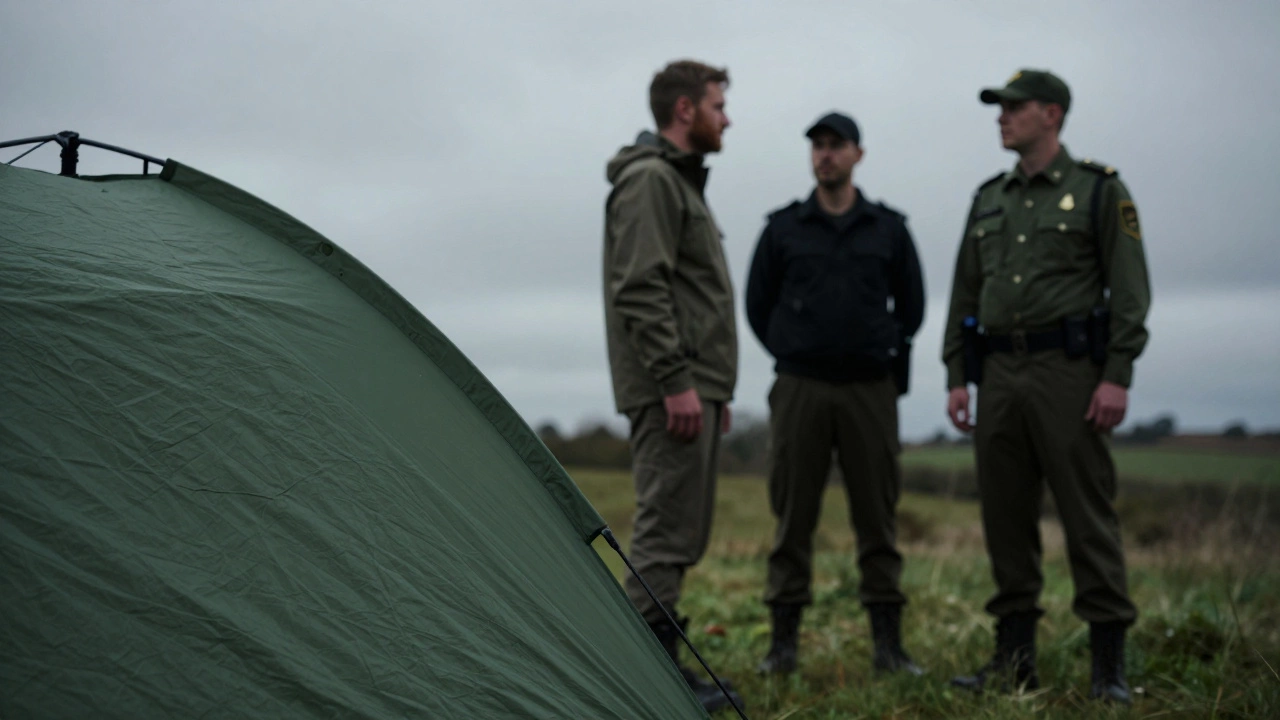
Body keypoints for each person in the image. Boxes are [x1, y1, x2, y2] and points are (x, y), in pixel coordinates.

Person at [941, 69, 1152, 704]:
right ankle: (1014, 662)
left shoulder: (1099, 191)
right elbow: (964, 294)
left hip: (1069, 373)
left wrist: (1116, 376)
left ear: (1052, 114)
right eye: (999, 108)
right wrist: (959, 376)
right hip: (1000, 374)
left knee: (1087, 516)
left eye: (1014, 107)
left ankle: (1108, 668)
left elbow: (1131, 294)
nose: (1002, 117)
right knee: (1005, 517)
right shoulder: (988, 198)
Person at [745, 111, 926, 677]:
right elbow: (757, 304)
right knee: (792, 517)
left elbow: (913, 306)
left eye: (836, 145)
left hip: (870, 390)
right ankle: (783, 647)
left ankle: (888, 648)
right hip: (801, 387)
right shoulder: (784, 228)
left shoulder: (888, 228)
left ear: (857, 154)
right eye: (817, 146)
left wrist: (881, 346)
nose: (825, 155)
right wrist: (793, 346)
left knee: (878, 518)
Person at [601, 59, 743, 714]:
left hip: (692, 386)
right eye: (718, 104)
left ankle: (659, 671)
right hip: (671, 389)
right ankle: (641, 681)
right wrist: (677, 381)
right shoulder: (653, 180)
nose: (727, 117)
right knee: (662, 530)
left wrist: (712, 388)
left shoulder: (679, 184)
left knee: (682, 529)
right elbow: (640, 288)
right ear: (685, 110)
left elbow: (689, 296)